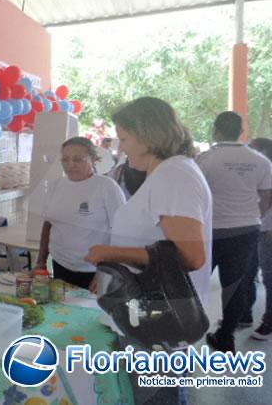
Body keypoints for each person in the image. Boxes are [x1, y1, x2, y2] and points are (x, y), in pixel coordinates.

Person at [86, 97, 212, 405]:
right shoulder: (167, 173)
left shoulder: (174, 175)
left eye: (125, 139)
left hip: (161, 319)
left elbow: (191, 256)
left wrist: (112, 254)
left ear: (147, 135)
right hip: (151, 315)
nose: (121, 148)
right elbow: (156, 242)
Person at [196, 111, 272, 352]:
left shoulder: (205, 160)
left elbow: (195, 195)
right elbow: (266, 197)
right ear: (241, 132)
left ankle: (186, 332)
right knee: (235, 284)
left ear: (216, 129)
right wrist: (253, 217)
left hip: (211, 231)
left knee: (196, 282)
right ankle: (226, 337)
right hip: (247, 230)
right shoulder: (260, 160)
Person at [35, 137, 125, 289]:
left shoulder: (106, 186)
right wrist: (41, 261)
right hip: (60, 263)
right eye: (65, 159)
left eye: (78, 159)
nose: (70, 165)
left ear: (94, 159)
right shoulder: (56, 186)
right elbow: (48, 224)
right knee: (62, 309)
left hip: (94, 269)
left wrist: (107, 270)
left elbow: (121, 231)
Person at [243, 138, 272, 340]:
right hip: (253, 227)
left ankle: (269, 322)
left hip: (267, 231)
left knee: (269, 277)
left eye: (252, 150)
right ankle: (244, 315)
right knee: (247, 273)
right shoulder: (258, 172)